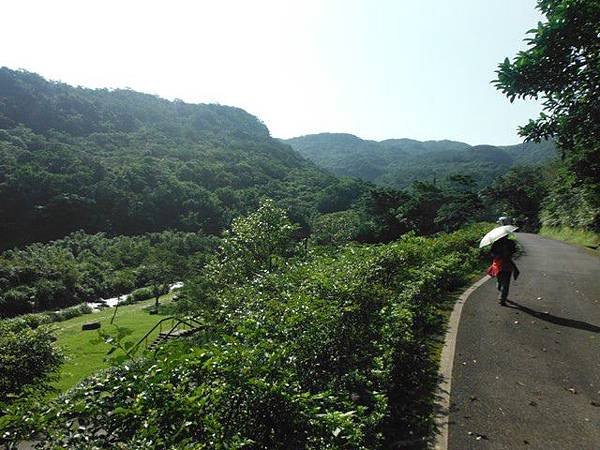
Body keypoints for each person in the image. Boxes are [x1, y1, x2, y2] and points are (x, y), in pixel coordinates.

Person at [487, 236, 519, 305]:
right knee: (502, 283)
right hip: (501, 265)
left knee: (505, 284)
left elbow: (513, 251)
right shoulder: (498, 243)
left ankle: (502, 299)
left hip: (505, 265)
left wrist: (507, 252)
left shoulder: (508, 242)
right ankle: (502, 294)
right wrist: (500, 254)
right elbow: (492, 253)